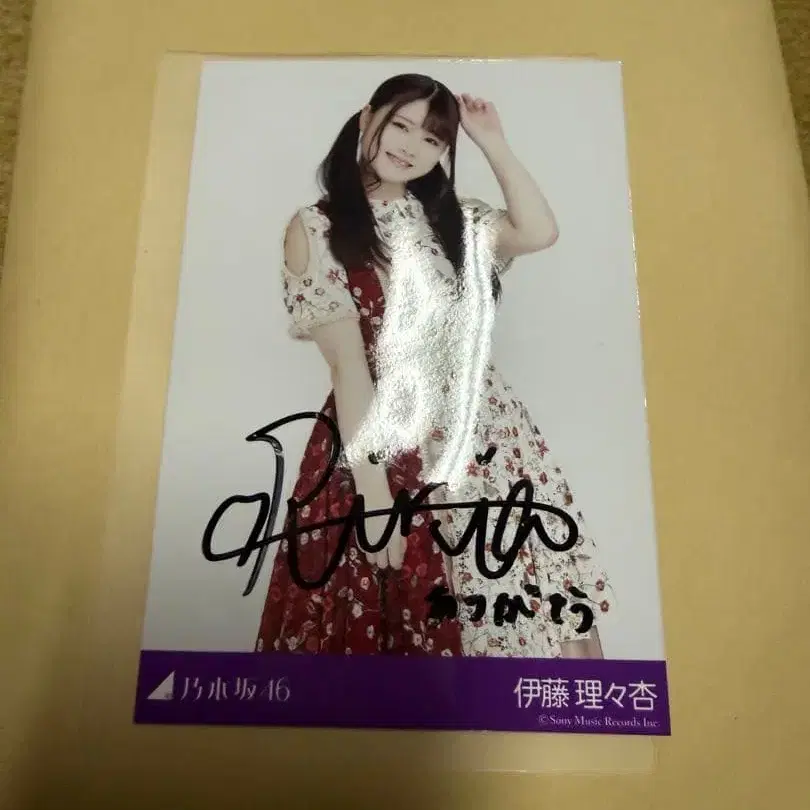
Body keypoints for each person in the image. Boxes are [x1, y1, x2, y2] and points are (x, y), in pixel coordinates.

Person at [255, 73, 612, 658]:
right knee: (404, 620)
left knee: (532, 616)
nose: (410, 147)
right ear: (367, 117)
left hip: (489, 441)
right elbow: (348, 369)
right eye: (400, 125)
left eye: (432, 139)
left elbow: (538, 231)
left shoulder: (454, 220)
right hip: (386, 445)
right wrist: (374, 499)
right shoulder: (317, 228)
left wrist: (491, 141)